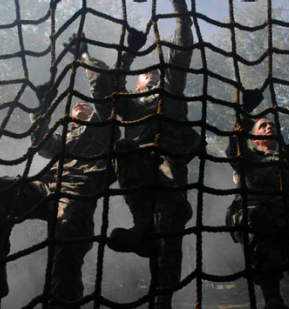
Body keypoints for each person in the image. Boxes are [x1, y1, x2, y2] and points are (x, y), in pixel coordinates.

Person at [66, 0, 198, 307]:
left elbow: (182, 48)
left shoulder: (172, 94)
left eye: (155, 74)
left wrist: (179, 8)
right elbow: (106, 90)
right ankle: (142, 225)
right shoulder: (130, 107)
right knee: (123, 147)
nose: (151, 76)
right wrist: (96, 55)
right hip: (141, 179)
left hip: (170, 182)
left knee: (167, 242)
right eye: (145, 76)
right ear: (138, 86)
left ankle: (161, 300)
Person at [0, 80, 119, 307]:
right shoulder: (66, 139)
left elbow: (106, 99)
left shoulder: (105, 127)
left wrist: (88, 59)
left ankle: (62, 303)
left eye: (85, 105)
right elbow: (40, 141)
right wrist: (44, 104)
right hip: (45, 187)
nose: (79, 105)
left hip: (79, 191)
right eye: (76, 105)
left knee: (66, 252)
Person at [224, 92, 289, 309]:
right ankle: (272, 298)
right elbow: (233, 148)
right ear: (254, 139)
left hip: (287, 215)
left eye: (272, 125)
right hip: (251, 209)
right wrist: (245, 113)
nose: (269, 127)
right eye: (262, 126)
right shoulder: (249, 158)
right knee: (259, 221)